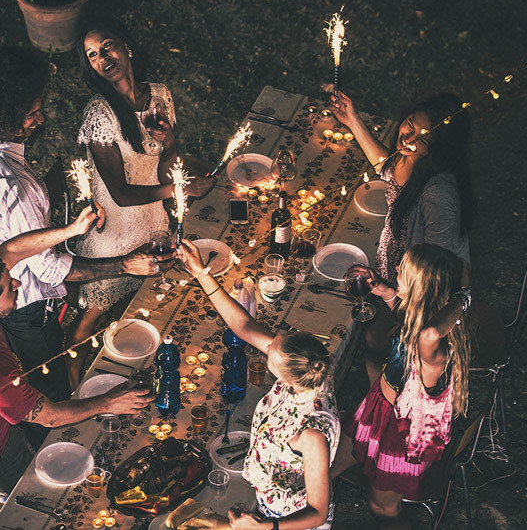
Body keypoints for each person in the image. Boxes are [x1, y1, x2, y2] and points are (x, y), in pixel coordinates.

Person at [0, 45, 170, 400]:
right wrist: (125, 265)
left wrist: (56, 215)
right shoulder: (15, 189)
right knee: (49, 385)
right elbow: (53, 270)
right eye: (31, 114)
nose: (40, 119)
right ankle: (54, 421)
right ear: (3, 115)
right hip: (29, 306)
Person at [0, 209, 156, 530]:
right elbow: (52, 416)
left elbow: (11, 250)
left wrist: (72, 229)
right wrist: (110, 402)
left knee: (25, 504)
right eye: (8, 287)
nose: (17, 282)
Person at [71, 15, 215, 351]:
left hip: (155, 227)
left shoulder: (159, 96)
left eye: (107, 46)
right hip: (114, 235)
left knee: (158, 305)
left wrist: (169, 143)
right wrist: (180, 189)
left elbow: (165, 170)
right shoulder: (100, 114)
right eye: (92, 55)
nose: (103, 58)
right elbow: (120, 195)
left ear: (128, 48)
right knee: (85, 327)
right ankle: (71, 373)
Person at [178, 239, 340, 530]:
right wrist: (201, 272)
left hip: (290, 518)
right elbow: (243, 326)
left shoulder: (312, 435)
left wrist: (266, 527)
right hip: (268, 501)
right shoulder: (311, 367)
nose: (265, 345)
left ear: (285, 375)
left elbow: (317, 511)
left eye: (269, 352)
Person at [329, 92, 477, 383]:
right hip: (395, 275)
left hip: (419, 292)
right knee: (374, 337)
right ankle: (380, 392)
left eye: (423, 137)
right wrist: (353, 120)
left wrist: (404, 304)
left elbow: (441, 266)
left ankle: (391, 398)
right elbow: (386, 166)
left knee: (381, 342)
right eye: (409, 124)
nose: (408, 138)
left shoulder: (439, 194)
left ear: (438, 146)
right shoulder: (411, 159)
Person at [330, 244, 473, 530]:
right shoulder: (421, 318)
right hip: (377, 411)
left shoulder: (433, 351)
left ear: (421, 289)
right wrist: (386, 292)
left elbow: (428, 333)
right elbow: (414, 317)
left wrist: (464, 298)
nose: (396, 269)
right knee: (328, 463)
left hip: (400, 435)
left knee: (382, 507)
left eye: (403, 270)